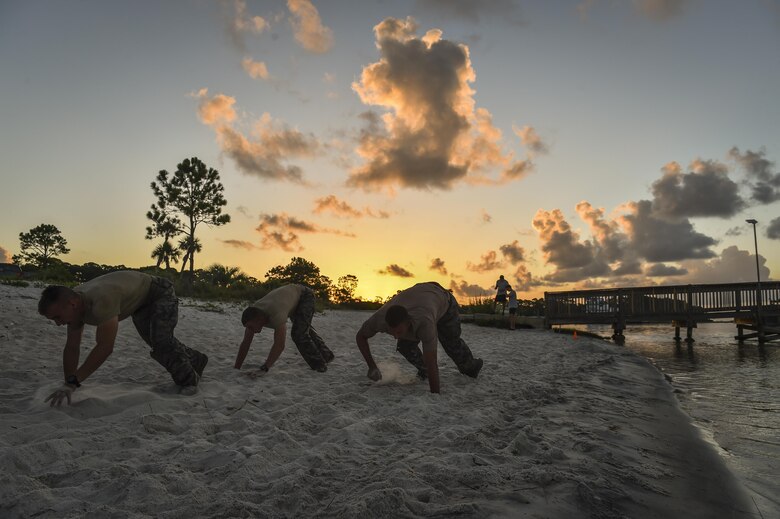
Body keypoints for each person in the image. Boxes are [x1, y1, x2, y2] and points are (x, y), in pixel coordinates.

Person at [38, 270, 208, 406]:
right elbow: (72, 347)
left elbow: (105, 347)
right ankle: (197, 359)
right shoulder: (74, 308)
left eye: (57, 317)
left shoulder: (101, 301)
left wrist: (74, 382)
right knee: (158, 342)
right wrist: (68, 383)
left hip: (159, 291)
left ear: (72, 305)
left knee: (161, 342)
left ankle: (189, 382)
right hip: (138, 303)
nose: (58, 323)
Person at [355, 281, 483, 393]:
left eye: (399, 332)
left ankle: (471, 366)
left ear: (408, 322)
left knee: (450, 342)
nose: (395, 336)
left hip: (443, 300)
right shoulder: (379, 320)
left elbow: (431, 361)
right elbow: (360, 337)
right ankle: (423, 371)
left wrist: (435, 394)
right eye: (391, 331)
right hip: (422, 295)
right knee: (404, 345)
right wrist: (372, 366)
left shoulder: (424, 322)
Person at [235, 284, 334, 374]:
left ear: (258, 319)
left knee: (299, 333)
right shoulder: (253, 313)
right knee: (302, 327)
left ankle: (319, 365)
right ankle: (327, 355)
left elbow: (279, 345)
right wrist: (237, 367)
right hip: (290, 298)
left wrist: (264, 368)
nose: (250, 330)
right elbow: (246, 342)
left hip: (305, 296)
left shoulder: (276, 313)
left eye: (251, 327)